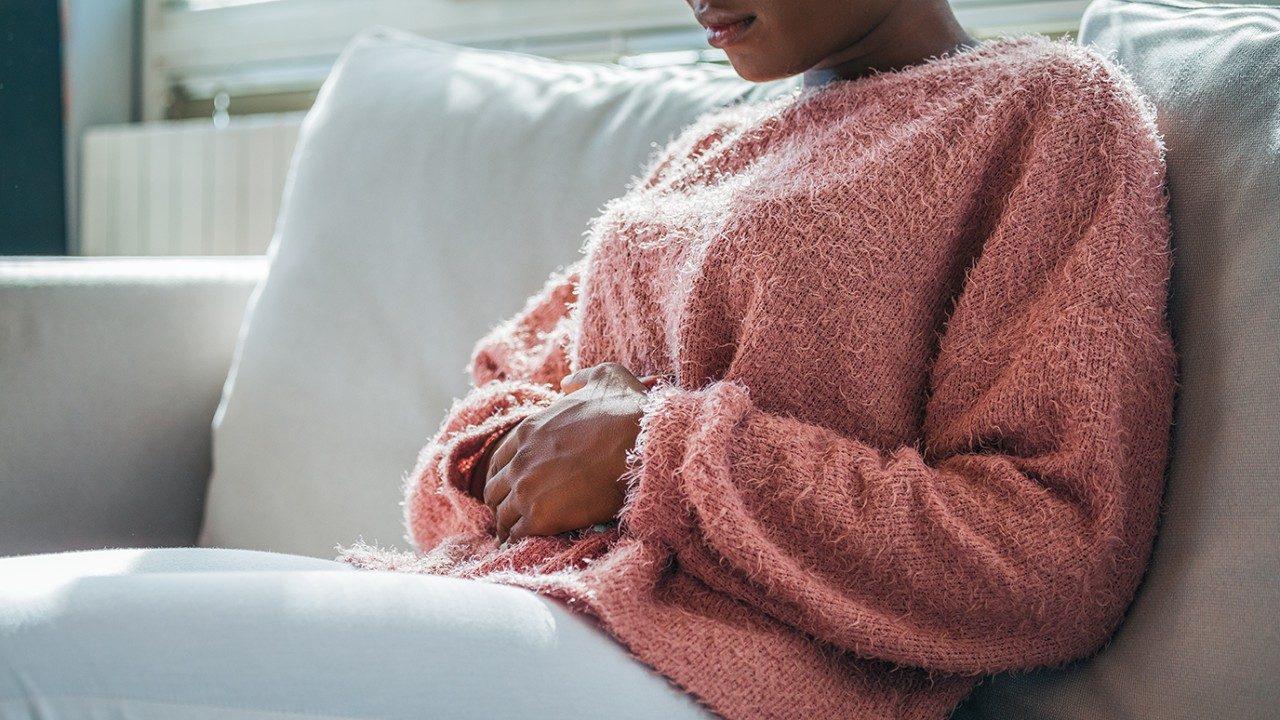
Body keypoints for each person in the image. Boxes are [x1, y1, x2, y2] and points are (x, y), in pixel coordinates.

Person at [0, 2, 1178, 719]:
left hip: (726, 682)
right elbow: (498, 409)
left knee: (31, 666)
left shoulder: (1044, 114)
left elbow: (1050, 553)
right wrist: (520, 459)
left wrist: (648, 452)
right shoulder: (713, 144)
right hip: (518, 604)